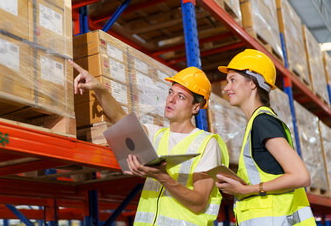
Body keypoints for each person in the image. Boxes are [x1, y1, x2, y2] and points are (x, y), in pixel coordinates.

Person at [70, 59, 229, 225]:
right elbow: (120, 118)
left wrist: (162, 177)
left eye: (180, 96)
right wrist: (99, 88)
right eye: (170, 92)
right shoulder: (156, 135)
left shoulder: (207, 143)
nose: (171, 99)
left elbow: (199, 202)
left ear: (196, 107)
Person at [216, 49, 316, 226]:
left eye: (233, 80)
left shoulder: (262, 122)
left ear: (252, 83)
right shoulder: (257, 122)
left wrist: (247, 190)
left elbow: (301, 176)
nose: (226, 88)